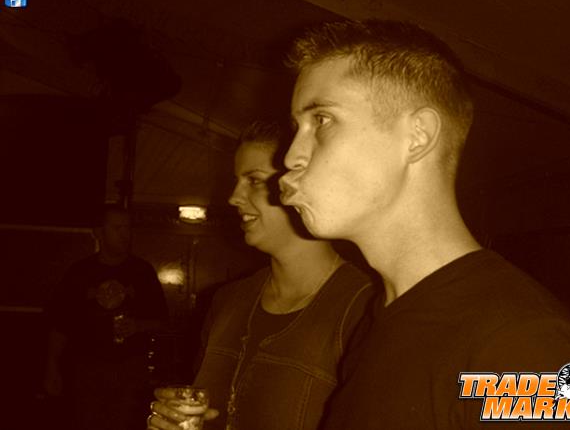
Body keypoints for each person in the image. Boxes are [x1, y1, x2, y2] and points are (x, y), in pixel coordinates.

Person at [278, 20, 570, 428]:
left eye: (322, 120)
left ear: (418, 136)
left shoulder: (521, 346)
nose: (291, 157)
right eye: (298, 128)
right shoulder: (380, 315)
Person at [147, 121, 375, 430]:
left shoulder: (365, 306)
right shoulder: (228, 301)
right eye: (237, 180)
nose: (233, 197)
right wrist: (176, 421)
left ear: (303, 185)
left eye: (254, 180)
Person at [44, 204, 168, 430]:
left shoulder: (142, 272)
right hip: (87, 368)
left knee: (125, 424)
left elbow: (162, 320)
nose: (125, 234)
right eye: (117, 228)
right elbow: (60, 323)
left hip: (130, 369)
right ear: (99, 232)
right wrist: (52, 366)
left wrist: (138, 326)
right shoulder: (79, 273)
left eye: (128, 228)